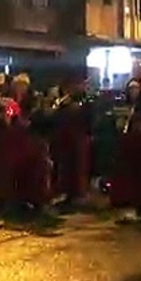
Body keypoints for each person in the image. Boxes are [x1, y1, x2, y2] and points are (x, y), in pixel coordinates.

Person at [0, 73, 52, 219]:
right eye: (16, 85)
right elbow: (8, 122)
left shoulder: (35, 100)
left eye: (22, 85)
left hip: (31, 141)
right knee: (11, 172)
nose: (19, 88)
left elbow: (36, 120)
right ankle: (14, 201)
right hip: (14, 140)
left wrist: (18, 113)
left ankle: (35, 202)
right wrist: (7, 113)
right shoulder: (11, 99)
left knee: (33, 173)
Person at [110, 81, 141, 222]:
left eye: (136, 89)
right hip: (127, 143)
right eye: (131, 89)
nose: (133, 92)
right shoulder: (124, 103)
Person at [50, 75, 92, 208]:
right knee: (66, 167)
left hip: (79, 139)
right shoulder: (62, 103)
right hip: (65, 139)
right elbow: (55, 118)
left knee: (78, 167)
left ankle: (78, 194)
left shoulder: (87, 102)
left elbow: (90, 119)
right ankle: (66, 193)